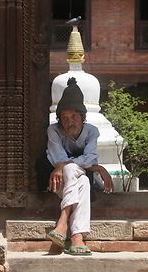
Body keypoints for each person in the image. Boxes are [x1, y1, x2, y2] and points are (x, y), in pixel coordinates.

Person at [46, 77, 113, 256]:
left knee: (80, 178)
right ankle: (77, 238)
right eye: (65, 117)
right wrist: (96, 168)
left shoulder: (92, 131)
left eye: (74, 116)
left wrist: (69, 165)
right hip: (58, 182)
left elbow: (91, 157)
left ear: (82, 117)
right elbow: (57, 159)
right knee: (74, 173)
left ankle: (64, 224)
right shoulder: (53, 130)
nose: (69, 121)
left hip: (74, 182)